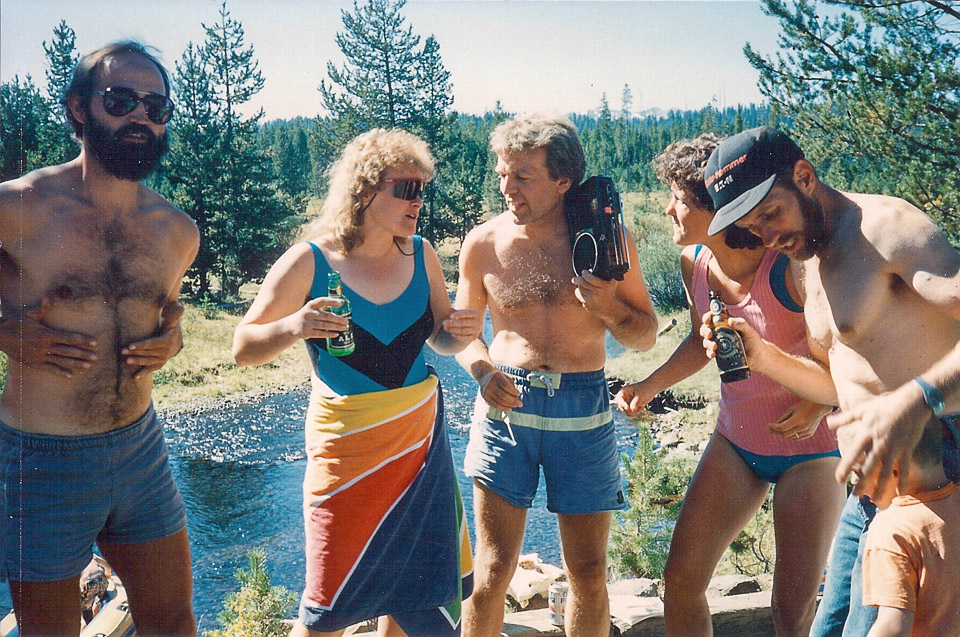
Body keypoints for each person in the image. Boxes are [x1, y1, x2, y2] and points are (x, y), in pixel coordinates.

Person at [700, 125, 960, 637]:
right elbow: (844, 387)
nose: (768, 237)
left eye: (771, 214)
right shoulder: (804, 264)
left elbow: (900, 398)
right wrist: (763, 356)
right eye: (754, 228)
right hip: (869, 485)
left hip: (936, 473)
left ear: (804, 176)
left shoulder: (886, 229)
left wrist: (917, 398)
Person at [232, 128, 480, 637]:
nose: (418, 201)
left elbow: (439, 339)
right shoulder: (310, 260)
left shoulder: (422, 254)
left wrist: (458, 332)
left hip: (418, 447)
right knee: (328, 608)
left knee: (421, 600)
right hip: (344, 452)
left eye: (422, 189)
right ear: (365, 189)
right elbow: (243, 348)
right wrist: (294, 326)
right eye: (405, 188)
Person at [0, 41, 199, 635]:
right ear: (79, 109)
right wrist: (3, 332)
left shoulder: (176, 232)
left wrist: (174, 341)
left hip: (141, 450)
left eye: (155, 106)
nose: (140, 115)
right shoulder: (22, 208)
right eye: (120, 100)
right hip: (42, 458)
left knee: (172, 621)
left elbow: (165, 318)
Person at [613, 134, 845, 636]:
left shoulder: (792, 269)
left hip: (814, 453)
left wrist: (815, 402)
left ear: (718, 211)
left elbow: (844, 371)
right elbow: (704, 341)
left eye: (678, 198)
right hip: (736, 443)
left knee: (791, 611)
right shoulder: (694, 262)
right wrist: (650, 385)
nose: (668, 208)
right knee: (680, 582)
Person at [455, 113, 659, 637]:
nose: (507, 187)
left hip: (583, 404)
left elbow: (644, 334)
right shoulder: (482, 243)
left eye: (522, 176)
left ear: (562, 180)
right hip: (504, 406)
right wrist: (480, 372)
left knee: (588, 573)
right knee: (493, 570)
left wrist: (611, 308)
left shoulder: (608, 240)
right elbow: (461, 333)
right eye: (502, 173)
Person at [860, 417, 960, 636]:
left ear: (893, 468)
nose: (859, 492)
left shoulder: (892, 530)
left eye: (859, 474)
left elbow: (893, 627)